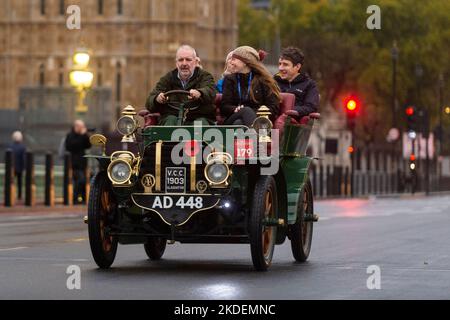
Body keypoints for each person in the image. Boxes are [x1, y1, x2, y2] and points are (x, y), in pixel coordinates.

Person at [145, 45, 217, 125]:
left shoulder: (205, 76)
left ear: (196, 62)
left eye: (188, 60)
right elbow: (149, 102)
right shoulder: (167, 78)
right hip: (173, 119)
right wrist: (156, 99)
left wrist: (200, 93)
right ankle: (168, 137)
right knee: (170, 120)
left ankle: (196, 137)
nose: (184, 63)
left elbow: (210, 91)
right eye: (180, 60)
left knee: (200, 124)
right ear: (176, 63)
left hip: (198, 117)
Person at [220, 46, 281, 126]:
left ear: (245, 62)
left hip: (258, 119)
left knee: (239, 123)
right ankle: (258, 136)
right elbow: (224, 107)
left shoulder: (264, 80)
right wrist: (235, 109)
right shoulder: (230, 79)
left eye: (234, 59)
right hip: (233, 118)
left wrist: (254, 113)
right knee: (245, 111)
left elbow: (273, 107)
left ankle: (253, 133)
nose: (230, 62)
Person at [274, 46, 319, 118]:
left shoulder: (309, 84)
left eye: (285, 64)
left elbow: (311, 107)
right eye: (280, 64)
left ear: (297, 66)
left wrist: (290, 110)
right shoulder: (272, 82)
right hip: (270, 122)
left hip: (293, 123)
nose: (280, 68)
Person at [65, 120, 91, 205]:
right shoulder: (70, 135)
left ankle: (82, 198)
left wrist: (86, 135)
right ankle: (74, 198)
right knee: (80, 180)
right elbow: (71, 146)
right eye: (81, 126)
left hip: (83, 163)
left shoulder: (82, 136)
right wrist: (82, 135)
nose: (82, 128)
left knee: (83, 181)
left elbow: (88, 145)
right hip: (74, 163)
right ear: (76, 126)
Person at [9, 131, 26, 200]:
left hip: (12, 167)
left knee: (11, 182)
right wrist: (24, 167)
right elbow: (24, 159)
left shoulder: (10, 147)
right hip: (20, 168)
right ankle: (19, 195)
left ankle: (10, 194)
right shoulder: (23, 147)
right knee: (19, 182)